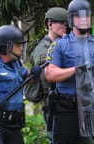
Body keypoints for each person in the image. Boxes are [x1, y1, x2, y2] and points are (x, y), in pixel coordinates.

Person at [45, 0, 94, 143]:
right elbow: (50, 74)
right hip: (67, 109)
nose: (84, 20)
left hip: (90, 107)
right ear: (71, 19)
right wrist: (77, 69)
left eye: (87, 16)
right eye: (79, 16)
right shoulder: (60, 45)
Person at [26, 7, 67, 143]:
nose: (65, 26)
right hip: (54, 104)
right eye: (61, 23)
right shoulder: (43, 49)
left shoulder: (63, 45)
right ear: (50, 24)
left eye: (66, 23)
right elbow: (48, 76)